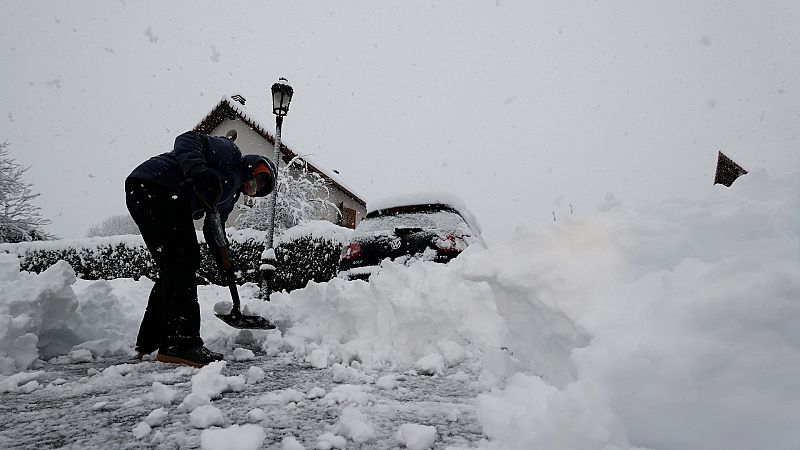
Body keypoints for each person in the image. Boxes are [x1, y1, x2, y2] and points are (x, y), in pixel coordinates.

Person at [125, 130, 276, 367]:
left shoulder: (227, 198)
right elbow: (187, 139)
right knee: (183, 261)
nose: (252, 188)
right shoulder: (230, 153)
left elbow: (215, 231)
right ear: (251, 166)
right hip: (157, 185)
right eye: (257, 180)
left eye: (257, 190)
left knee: (173, 266)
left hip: (149, 193)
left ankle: (150, 342)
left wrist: (226, 265)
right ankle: (181, 344)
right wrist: (198, 170)